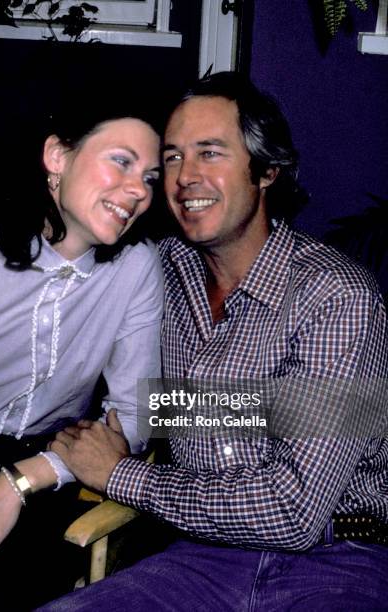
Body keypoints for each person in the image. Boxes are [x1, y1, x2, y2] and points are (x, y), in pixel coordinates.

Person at [38, 72, 388, 611]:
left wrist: (121, 475)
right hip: (203, 560)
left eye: (211, 153)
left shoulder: (336, 297)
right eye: (174, 158)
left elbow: (294, 514)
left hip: (344, 557)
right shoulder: (158, 274)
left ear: (267, 171)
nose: (185, 178)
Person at [0, 97, 163, 610]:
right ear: (57, 157)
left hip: (51, 467)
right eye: (122, 160)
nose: (139, 190)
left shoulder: (136, 269)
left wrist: (19, 483)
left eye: (151, 177)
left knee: (10, 597)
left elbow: (134, 416)